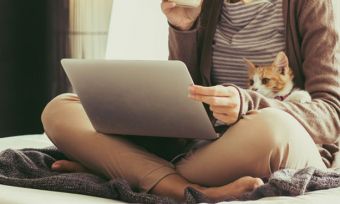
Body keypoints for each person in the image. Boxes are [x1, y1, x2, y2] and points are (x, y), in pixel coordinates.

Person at [41, 0, 340, 202]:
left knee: (271, 127)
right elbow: (186, 100)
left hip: (273, 141)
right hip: (205, 149)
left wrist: (246, 102)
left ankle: (116, 166)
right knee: (60, 110)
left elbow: (331, 112)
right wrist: (183, 26)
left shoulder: (310, 4)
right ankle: (186, 189)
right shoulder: (204, 5)